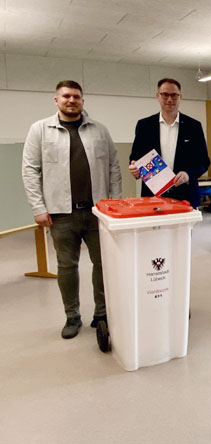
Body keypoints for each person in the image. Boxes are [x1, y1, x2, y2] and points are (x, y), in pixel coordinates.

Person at [22, 80, 122, 339]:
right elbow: (30, 170)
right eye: (66, 96)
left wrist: (116, 203)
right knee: (67, 267)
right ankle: (72, 316)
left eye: (76, 96)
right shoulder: (40, 130)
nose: (71, 100)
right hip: (60, 214)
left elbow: (114, 167)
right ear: (56, 100)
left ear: (82, 101)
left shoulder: (99, 130)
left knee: (103, 265)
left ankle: (102, 313)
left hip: (97, 212)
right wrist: (38, 207)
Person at [129, 78, 210, 207]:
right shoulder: (145, 125)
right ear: (158, 96)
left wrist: (188, 174)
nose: (169, 99)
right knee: (154, 228)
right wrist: (134, 168)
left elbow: (204, 161)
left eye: (174, 95)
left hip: (185, 196)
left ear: (180, 97)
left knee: (184, 228)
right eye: (165, 95)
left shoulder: (193, 126)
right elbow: (135, 157)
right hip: (153, 196)